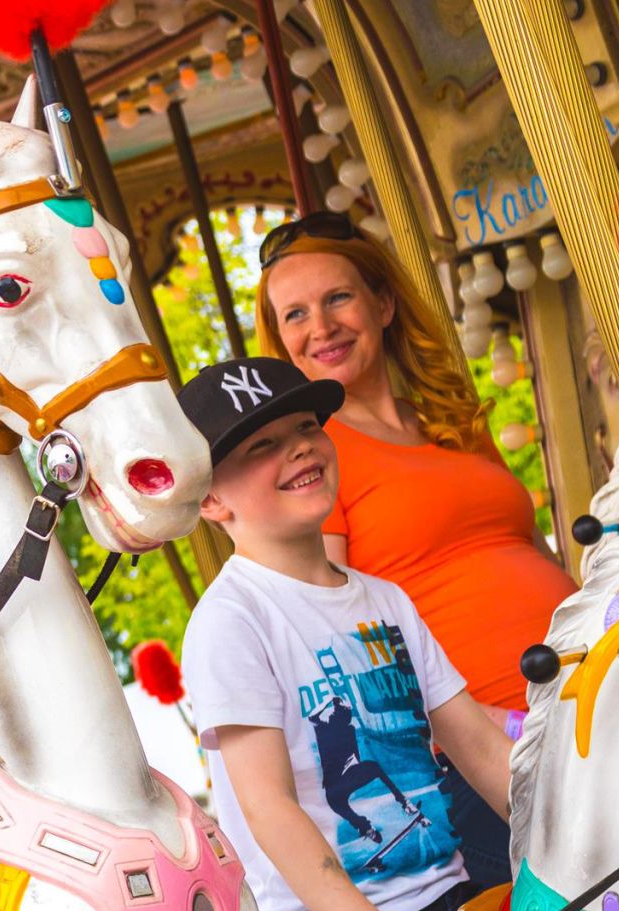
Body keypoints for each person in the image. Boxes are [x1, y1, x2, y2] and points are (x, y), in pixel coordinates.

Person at [253, 214, 577, 886]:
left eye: (338, 297)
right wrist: (464, 720)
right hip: (487, 736)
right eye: (296, 314)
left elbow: (526, 550)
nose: (322, 326)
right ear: (280, 339)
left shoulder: (450, 422)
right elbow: (328, 621)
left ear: (384, 302)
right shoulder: (315, 457)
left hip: (584, 688)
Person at [178, 356, 512, 911]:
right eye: (261, 446)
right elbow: (270, 807)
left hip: (453, 891)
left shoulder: (386, 600)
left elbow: (478, 747)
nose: (300, 447)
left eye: (306, 427)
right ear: (210, 498)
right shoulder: (232, 619)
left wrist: (576, 838)